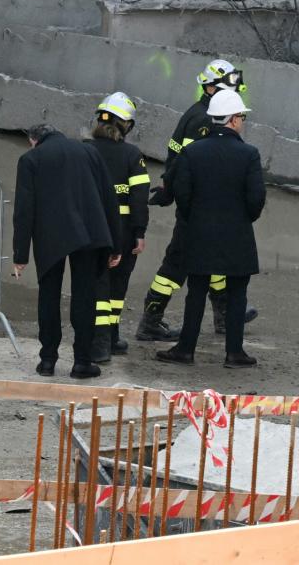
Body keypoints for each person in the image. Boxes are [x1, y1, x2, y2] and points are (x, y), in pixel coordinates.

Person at [137, 59, 257, 341]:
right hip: (195, 207)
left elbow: (177, 158)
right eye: (231, 85)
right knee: (177, 264)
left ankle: (224, 316)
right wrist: (174, 192)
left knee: (216, 259)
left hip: (197, 204)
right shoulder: (204, 121)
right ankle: (150, 321)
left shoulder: (197, 113)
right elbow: (189, 164)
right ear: (213, 87)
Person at [155, 90, 265, 367]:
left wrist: (196, 218)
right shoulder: (249, 154)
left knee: (197, 290)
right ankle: (234, 352)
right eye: (241, 116)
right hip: (237, 233)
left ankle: (186, 349)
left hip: (200, 231)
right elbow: (256, 199)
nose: (242, 121)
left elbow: (182, 192)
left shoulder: (193, 152)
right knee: (237, 291)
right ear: (232, 120)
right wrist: (242, 219)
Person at [12, 123, 123, 379]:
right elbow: (109, 198)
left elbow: (24, 209)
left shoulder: (31, 159)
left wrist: (20, 255)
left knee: (49, 297)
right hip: (89, 234)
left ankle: (48, 360)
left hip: (50, 237)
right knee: (85, 297)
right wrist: (116, 245)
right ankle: (82, 362)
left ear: (33, 140)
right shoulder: (89, 152)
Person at [85, 93, 149, 364]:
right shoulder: (132, 155)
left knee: (95, 284)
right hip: (121, 230)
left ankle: (102, 339)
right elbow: (139, 198)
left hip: (89, 229)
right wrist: (139, 232)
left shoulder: (85, 150)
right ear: (127, 125)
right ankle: (107, 340)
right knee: (116, 285)